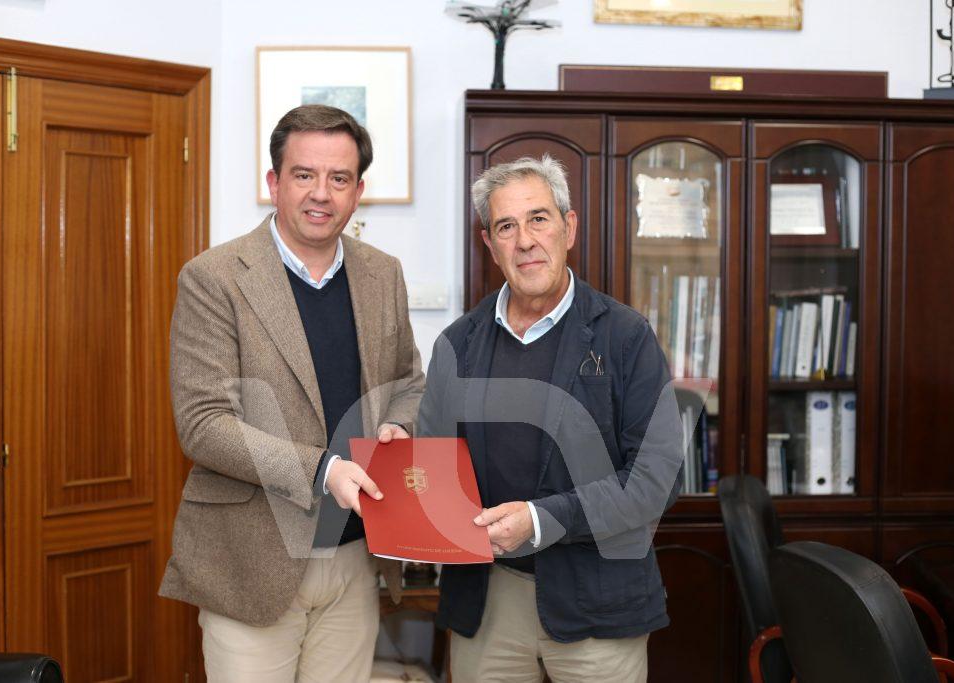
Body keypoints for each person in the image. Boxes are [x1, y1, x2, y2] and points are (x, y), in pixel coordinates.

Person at [159, 104, 425, 682]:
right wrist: (323, 470)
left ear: (358, 192)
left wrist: (400, 427)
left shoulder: (383, 273)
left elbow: (408, 380)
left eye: (339, 178)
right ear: (274, 182)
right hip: (252, 561)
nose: (321, 193)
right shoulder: (214, 277)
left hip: (356, 555)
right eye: (304, 174)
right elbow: (203, 424)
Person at [417, 155, 685, 682]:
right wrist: (398, 449)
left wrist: (541, 520)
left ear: (569, 228)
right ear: (489, 243)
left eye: (538, 218)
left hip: (598, 601)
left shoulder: (626, 337)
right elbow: (430, 463)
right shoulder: (458, 344)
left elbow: (657, 477)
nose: (525, 240)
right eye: (506, 226)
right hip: (486, 602)